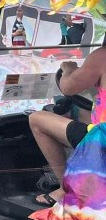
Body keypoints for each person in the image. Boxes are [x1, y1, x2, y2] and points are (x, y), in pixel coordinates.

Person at [29, 54, 106, 206]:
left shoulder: (101, 56)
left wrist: (69, 69)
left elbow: (68, 87)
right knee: (85, 113)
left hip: (101, 140)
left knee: (36, 119)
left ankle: (66, 188)